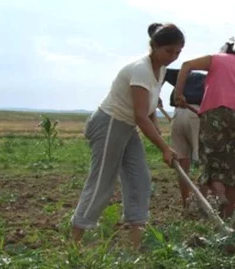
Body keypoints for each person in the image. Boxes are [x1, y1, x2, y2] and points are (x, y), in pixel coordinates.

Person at [70, 23, 184, 248]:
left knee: (140, 179)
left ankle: (136, 244)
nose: (172, 57)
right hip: (110, 123)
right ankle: (74, 243)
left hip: (127, 126)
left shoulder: (159, 69)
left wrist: (155, 123)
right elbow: (140, 115)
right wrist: (164, 147)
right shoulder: (141, 69)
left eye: (178, 52)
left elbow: (149, 108)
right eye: (168, 51)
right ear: (154, 46)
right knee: (103, 181)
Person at [174, 37, 235, 219]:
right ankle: (227, 217)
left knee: (212, 159)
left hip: (216, 113)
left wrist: (179, 93)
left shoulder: (217, 59)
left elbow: (186, 65)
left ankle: (217, 189)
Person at [161, 68, 206, 210]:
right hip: (196, 114)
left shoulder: (182, 74)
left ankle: (186, 203)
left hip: (178, 114)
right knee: (206, 162)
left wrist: (155, 95)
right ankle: (203, 206)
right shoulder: (211, 79)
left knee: (182, 162)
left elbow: (163, 72)